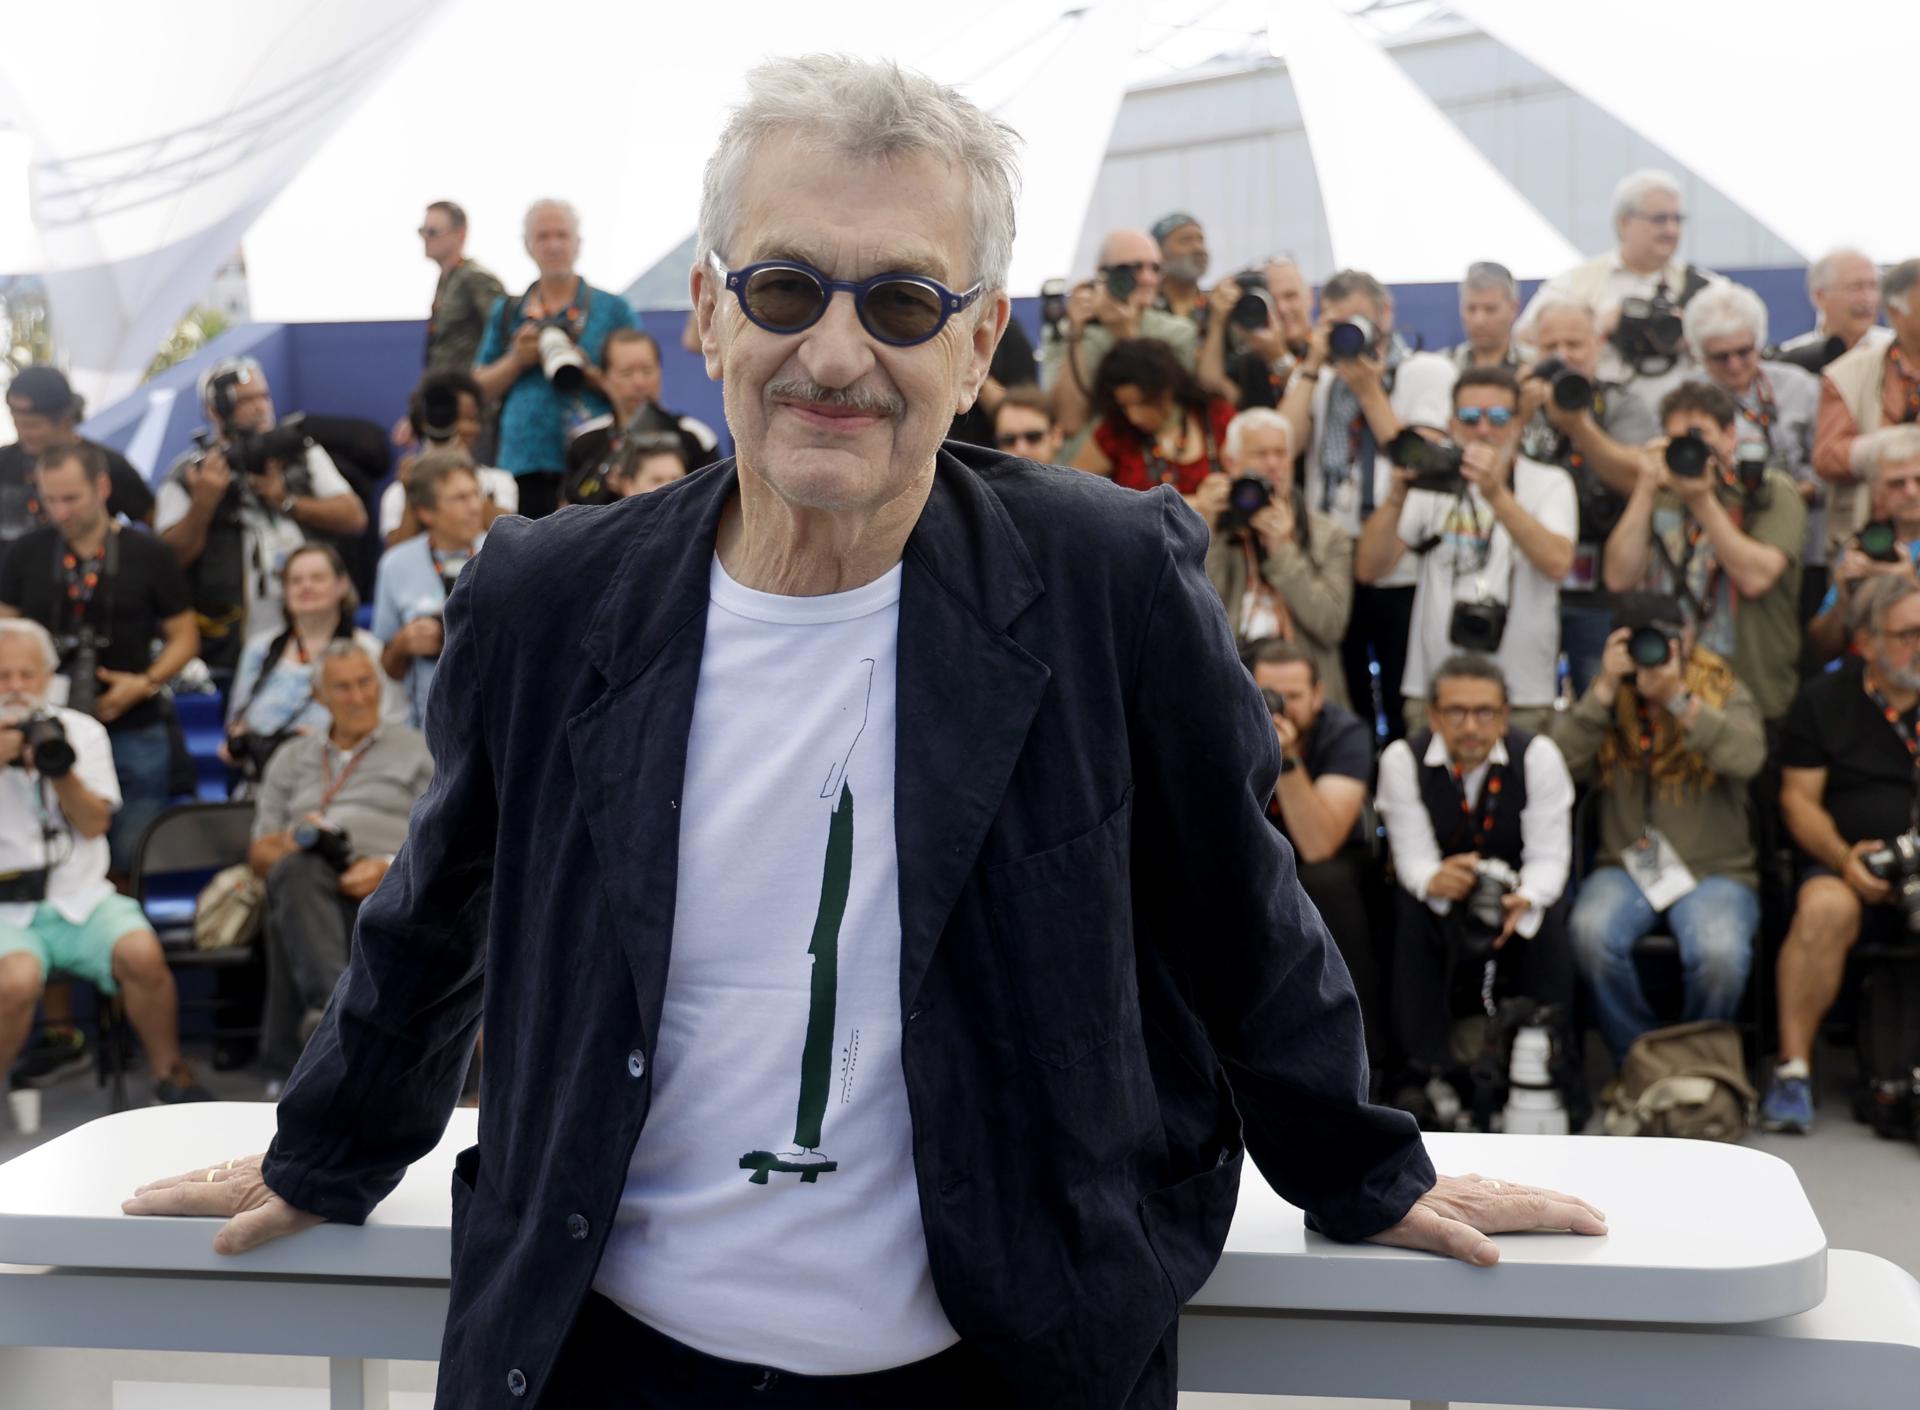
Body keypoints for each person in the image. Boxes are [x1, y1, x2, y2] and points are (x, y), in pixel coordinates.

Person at [126, 56, 1601, 1409]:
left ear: (979, 347)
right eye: (783, 291)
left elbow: (1240, 908)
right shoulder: (551, 596)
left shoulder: (1107, 581)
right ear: (705, 312)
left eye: (902, 303)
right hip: (610, 1356)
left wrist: (1359, 1165)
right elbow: (444, 908)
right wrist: (326, 1145)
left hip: (1008, 1355)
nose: (836, 352)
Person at [0, 618, 211, 1103]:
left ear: (48, 677)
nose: (15, 687)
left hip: (83, 895)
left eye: (26, 675)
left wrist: (58, 768)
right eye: (4, 675)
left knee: (141, 952)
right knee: (16, 981)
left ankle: (170, 1073)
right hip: (8, 910)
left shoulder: (82, 731)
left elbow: (95, 825)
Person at [1552, 595, 1766, 1066]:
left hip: (1717, 870)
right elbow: (1554, 766)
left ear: (1686, 639)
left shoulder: (1722, 686)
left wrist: (1677, 699)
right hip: (1625, 865)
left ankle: (1697, 1066)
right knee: (1589, 934)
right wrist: (1604, 690)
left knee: (1720, 954)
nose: (1654, 653)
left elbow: (1747, 758)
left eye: (1665, 640)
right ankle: (1642, 1064)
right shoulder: (1606, 694)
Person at [1374, 655, 1576, 1115]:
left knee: (1548, 916)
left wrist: (1523, 897)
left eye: (1485, 712)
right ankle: (1422, 1071)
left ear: (1505, 714)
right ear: (1433, 715)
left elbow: (1549, 859)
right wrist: (1435, 880)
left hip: (1515, 893)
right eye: (1456, 712)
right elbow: (1413, 858)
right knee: (1406, 907)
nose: (1471, 726)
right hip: (1442, 895)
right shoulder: (1402, 759)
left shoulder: (1538, 756)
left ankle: (1549, 1067)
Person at [1765, 575, 1920, 1133]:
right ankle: (1793, 1071)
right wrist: (1843, 858)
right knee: (1825, 909)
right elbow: (1798, 801)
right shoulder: (1825, 701)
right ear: (1866, 641)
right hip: (1846, 863)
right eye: (1908, 634)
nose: (1919, 645)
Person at [0, 444, 198, 874]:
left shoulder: (149, 554)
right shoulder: (25, 553)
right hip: (45, 730)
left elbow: (185, 637)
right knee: (52, 855)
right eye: (50, 499)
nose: (60, 511)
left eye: (71, 498)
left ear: (103, 487)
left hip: (133, 723)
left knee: (132, 855)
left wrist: (144, 682)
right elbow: (5, 635)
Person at [1280, 267, 1457, 738]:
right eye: (1336, 323)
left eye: (1356, 321)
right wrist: (1312, 365)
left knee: (1402, 698)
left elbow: (1418, 458)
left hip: (1398, 557)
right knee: (1342, 699)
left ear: (1386, 315)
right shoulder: (1319, 379)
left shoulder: (1424, 370)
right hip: (1330, 557)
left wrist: (1368, 390)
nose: (1347, 336)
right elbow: (1283, 444)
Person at [1355, 366, 1575, 737]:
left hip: (1519, 693)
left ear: (1518, 423)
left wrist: (1496, 493)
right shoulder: (1430, 484)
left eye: (1499, 416)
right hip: (1433, 691)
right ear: (1451, 423)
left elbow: (1557, 562)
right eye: (1470, 417)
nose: (1484, 429)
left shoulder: (1548, 482)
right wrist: (1397, 497)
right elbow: (1369, 569)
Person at [247, 640, 433, 1077]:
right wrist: (296, 839)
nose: (359, 697)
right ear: (320, 697)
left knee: (292, 907)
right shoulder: (291, 758)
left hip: (394, 879)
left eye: (366, 682)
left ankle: (324, 1033)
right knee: (295, 871)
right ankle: (343, 1020)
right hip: (310, 880)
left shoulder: (417, 749)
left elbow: (446, 836)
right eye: (343, 688)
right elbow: (258, 853)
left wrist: (390, 865)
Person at [1603, 382, 1806, 731]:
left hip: (1749, 693)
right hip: (1663, 688)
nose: (1690, 449)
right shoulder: (1659, 495)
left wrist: (1702, 500)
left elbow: (1755, 578)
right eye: (1678, 439)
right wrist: (1645, 487)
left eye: (1700, 436)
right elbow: (1619, 577)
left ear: (1730, 435)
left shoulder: (1770, 492)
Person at [155, 357, 368, 672]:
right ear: (215, 411)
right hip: (230, 640)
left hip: (314, 627)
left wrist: (285, 500)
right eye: (245, 401)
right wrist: (204, 503)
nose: (260, 408)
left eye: (264, 396)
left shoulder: (300, 452)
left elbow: (354, 517)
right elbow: (170, 559)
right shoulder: (188, 473)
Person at [1513, 292, 1660, 693]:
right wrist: (1519, 413)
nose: (1563, 356)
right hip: (1526, 581)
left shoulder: (1619, 403)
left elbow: (1636, 478)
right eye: (1550, 346)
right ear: (1533, 351)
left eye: (1574, 344)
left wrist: (1579, 426)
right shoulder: (1513, 403)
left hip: (1598, 589)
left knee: (1600, 699)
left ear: (1597, 346)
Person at [1248, 640, 1383, 1067]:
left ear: (1319, 694)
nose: (1280, 707)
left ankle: (1364, 1055)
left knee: (1327, 883)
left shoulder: (1345, 733)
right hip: (1253, 857)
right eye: (1268, 694)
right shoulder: (1229, 722)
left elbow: (1319, 843)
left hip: (1327, 866)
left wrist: (1285, 761)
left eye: (1293, 697)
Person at [472, 199, 640, 520]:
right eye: (543, 237)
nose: (553, 246)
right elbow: (477, 390)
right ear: (527, 245)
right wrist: (516, 359)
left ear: (578, 243)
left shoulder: (612, 309)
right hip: (523, 462)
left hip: (597, 459)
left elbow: (641, 386)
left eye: (562, 236)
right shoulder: (508, 311)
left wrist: (588, 372)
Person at [1682, 282, 1825, 623]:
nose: (1734, 365)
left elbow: (1827, 465)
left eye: (1744, 351)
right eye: (1720, 357)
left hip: (1802, 541)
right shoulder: (1686, 396)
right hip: (1716, 542)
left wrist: (1790, 492)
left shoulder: (1799, 386)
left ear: (1759, 341)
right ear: (1699, 354)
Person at [1527, 169, 1722, 408]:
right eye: (1660, 219)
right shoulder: (1577, 283)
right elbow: (1525, 337)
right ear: (1624, 221)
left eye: (1677, 219)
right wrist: (1597, 326)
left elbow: (1741, 350)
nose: (1671, 230)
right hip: (1598, 413)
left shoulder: (1706, 288)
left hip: (1685, 415)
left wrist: (1695, 337)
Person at [223, 544, 407, 790]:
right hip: (261, 788)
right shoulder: (260, 650)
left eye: (317, 578)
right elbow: (236, 723)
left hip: (346, 788)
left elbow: (391, 728)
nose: (305, 587)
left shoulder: (368, 651)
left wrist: (328, 743)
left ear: (342, 585)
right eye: (295, 581)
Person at [1203, 408, 1353, 703]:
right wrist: (1205, 530)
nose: (1273, 464)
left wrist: (1283, 550)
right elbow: (1197, 619)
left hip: (1307, 696)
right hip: (1228, 691)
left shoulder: (1328, 534)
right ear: (1230, 462)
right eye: (1260, 454)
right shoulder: (1209, 526)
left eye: (1281, 453)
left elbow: (1330, 624)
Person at [1041, 227, 1199, 462]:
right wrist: (1075, 333)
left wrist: (1125, 333)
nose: (1148, 278)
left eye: (1155, 268)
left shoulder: (1178, 332)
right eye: (1135, 268)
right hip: (1085, 474)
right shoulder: (1068, 332)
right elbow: (1069, 421)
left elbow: (1159, 412)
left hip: (1148, 470)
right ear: (1101, 275)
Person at [1813, 258, 1920, 562]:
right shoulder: (1847, 373)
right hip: (1870, 543)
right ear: (1898, 312)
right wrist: (1898, 447)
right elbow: (1828, 456)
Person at [374, 452, 485, 729]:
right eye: (460, 498)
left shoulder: (509, 553)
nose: (474, 507)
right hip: (428, 731)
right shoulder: (395, 564)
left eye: (475, 494)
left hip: (494, 725)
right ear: (426, 512)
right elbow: (389, 668)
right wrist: (402, 645)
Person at [563, 329, 720, 506]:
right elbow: (569, 514)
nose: (639, 382)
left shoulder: (695, 437)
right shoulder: (585, 442)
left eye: (647, 371)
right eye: (627, 373)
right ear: (604, 379)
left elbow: (713, 505)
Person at [0, 365, 153, 546]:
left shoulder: (107, 465)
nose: (23, 433)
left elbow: (156, 523)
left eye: (33, 425)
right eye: (17, 423)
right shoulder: (4, 462)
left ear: (64, 420)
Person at [1807, 426, 1920, 664]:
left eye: (1919, 479)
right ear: (1877, 492)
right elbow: (1819, 648)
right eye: (1897, 483)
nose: (1911, 491)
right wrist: (1843, 603)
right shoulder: (1864, 546)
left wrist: (1909, 585)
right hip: (1858, 680)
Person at [1069, 337, 1234, 497]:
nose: (1134, 417)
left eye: (1143, 403)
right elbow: (1071, 491)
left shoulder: (1216, 415)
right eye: (1124, 407)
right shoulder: (1115, 434)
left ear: (1166, 390)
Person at [380, 369, 518, 546]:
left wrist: (467, 475)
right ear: (426, 423)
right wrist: (411, 494)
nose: (466, 428)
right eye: (455, 419)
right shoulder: (399, 491)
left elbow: (508, 543)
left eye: (472, 419)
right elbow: (396, 562)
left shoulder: (498, 482)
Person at [1199, 256, 1313, 410]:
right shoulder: (1253, 361)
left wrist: (1278, 357)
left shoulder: (1326, 348)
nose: (1282, 308)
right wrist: (1217, 321)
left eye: (1290, 296)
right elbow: (1211, 382)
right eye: (1271, 299)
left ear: (1310, 297)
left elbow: (1318, 404)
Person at [418, 200, 506, 375]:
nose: (426, 238)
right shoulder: (446, 280)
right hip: (444, 391)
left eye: (433, 232)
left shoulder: (475, 278)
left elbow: (502, 334)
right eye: (422, 231)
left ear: (460, 235)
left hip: (470, 392)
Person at [1779, 247, 1890, 369]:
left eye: (1873, 286)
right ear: (1820, 296)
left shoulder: (1897, 352)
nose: (1867, 298)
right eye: (1855, 287)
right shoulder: (1791, 361)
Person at [1449, 262, 1523, 371]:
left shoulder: (1535, 365)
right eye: (1471, 308)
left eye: (1490, 309)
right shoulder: (1443, 368)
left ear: (1513, 309)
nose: (1479, 320)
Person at [1150, 210, 1210, 330]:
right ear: (1158, 252)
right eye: (1186, 240)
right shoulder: (1145, 306)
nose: (1199, 248)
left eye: (1201, 240)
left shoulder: (1214, 307)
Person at [988, 384, 1063, 465]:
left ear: (1056, 436)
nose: (1021, 450)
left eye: (1033, 437)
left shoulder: (1077, 477)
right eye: (1009, 440)